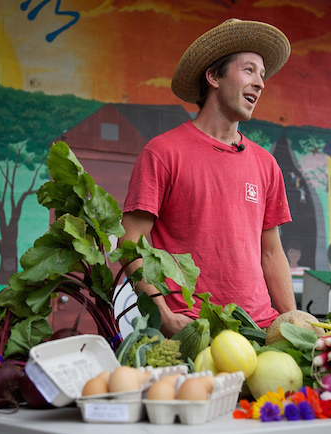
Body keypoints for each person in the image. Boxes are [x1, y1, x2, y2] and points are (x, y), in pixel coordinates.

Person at [119, 19, 296, 336]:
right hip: (190, 327)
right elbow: (131, 242)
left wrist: (293, 321)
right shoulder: (163, 152)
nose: (260, 83)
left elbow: (271, 252)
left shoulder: (267, 164)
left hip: (260, 328)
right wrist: (164, 316)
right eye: (249, 70)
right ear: (214, 76)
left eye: (262, 75)